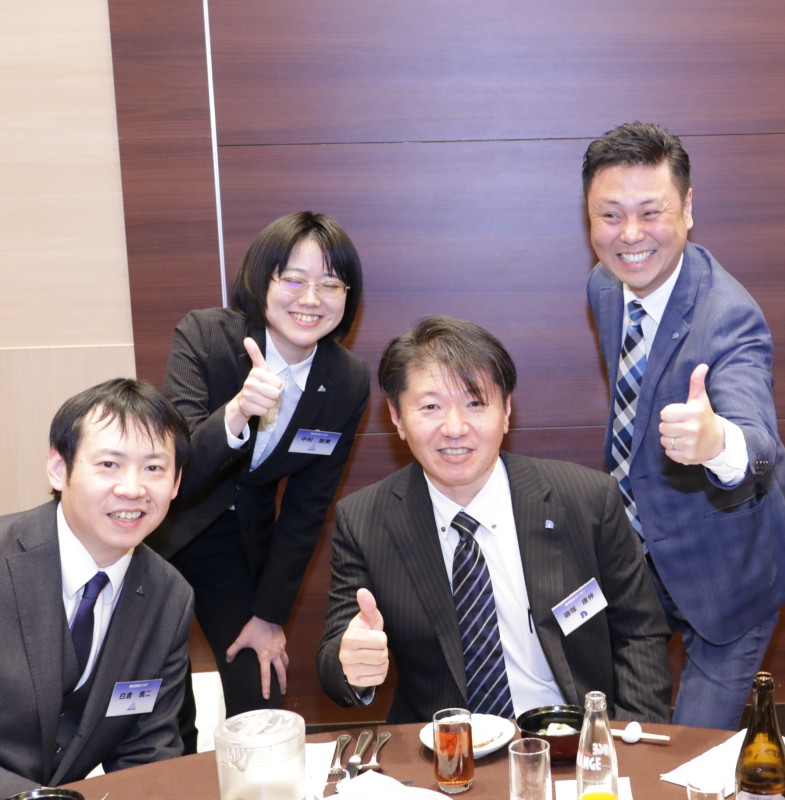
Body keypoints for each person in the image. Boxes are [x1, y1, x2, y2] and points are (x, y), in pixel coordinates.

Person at [317, 316, 672, 723]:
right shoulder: (364, 520)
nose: (454, 428)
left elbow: (639, 633)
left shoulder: (588, 499)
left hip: (571, 735)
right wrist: (352, 664)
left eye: (475, 403)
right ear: (397, 418)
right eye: (431, 407)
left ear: (506, 411)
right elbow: (334, 658)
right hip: (444, 744)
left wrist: (629, 738)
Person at [582, 121, 785, 730]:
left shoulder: (729, 318)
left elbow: (757, 442)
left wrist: (717, 444)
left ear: (687, 209)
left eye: (650, 212)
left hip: (730, 570)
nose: (630, 235)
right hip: (643, 551)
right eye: (610, 215)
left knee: (691, 747)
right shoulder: (606, 285)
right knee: (616, 724)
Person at [146, 211, 370, 721]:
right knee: (162, 711)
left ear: (347, 296)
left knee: (262, 702)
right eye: (292, 279)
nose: (310, 298)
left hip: (236, 547)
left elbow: (307, 509)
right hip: (158, 535)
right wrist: (237, 412)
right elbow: (174, 470)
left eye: (330, 284)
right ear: (261, 279)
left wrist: (270, 616)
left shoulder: (347, 379)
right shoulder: (206, 336)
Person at [0, 378, 194, 796]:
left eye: (154, 468)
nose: (133, 489)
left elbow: (147, 748)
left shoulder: (169, 596)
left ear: (176, 482)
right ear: (58, 468)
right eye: (109, 464)